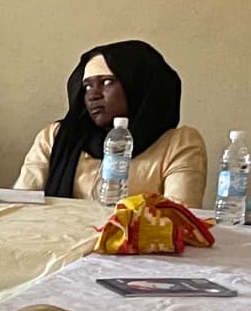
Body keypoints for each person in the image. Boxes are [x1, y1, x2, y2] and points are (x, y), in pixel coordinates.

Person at [12, 41, 206, 203]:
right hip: (57, 244)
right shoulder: (56, 137)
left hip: (136, 246)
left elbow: (179, 218)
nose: (93, 95)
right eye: (87, 86)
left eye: (106, 82)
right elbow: (21, 200)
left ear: (136, 86)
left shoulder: (179, 143)